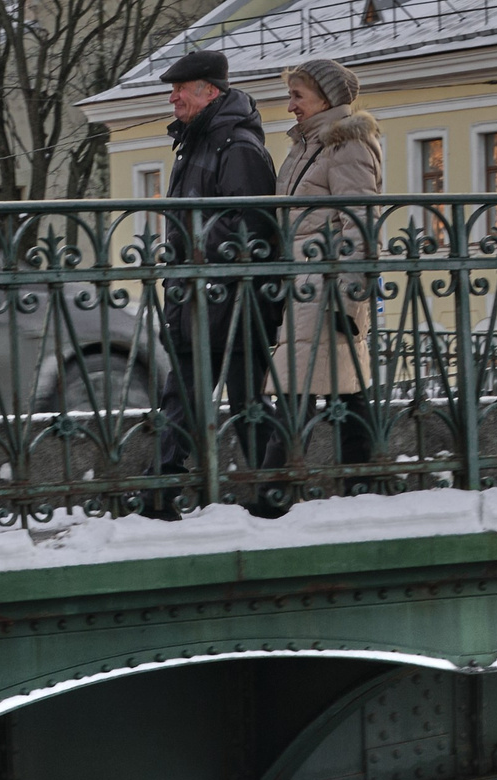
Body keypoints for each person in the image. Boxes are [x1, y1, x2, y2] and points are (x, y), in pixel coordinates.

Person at [152, 49, 286, 519]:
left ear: (209, 91)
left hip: (231, 296)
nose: (173, 99)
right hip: (200, 292)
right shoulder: (197, 142)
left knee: (239, 399)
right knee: (193, 392)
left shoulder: (237, 146)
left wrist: (194, 247)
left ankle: (274, 490)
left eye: (180, 90)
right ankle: (165, 488)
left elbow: (251, 225)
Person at [273, 57, 381, 491]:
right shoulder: (307, 145)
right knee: (342, 391)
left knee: (297, 391)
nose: (290, 106)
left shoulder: (347, 146)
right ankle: (362, 485)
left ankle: (273, 492)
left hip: (325, 288)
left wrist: (351, 298)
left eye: (297, 96)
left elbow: (361, 225)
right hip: (303, 283)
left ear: (326, 99)